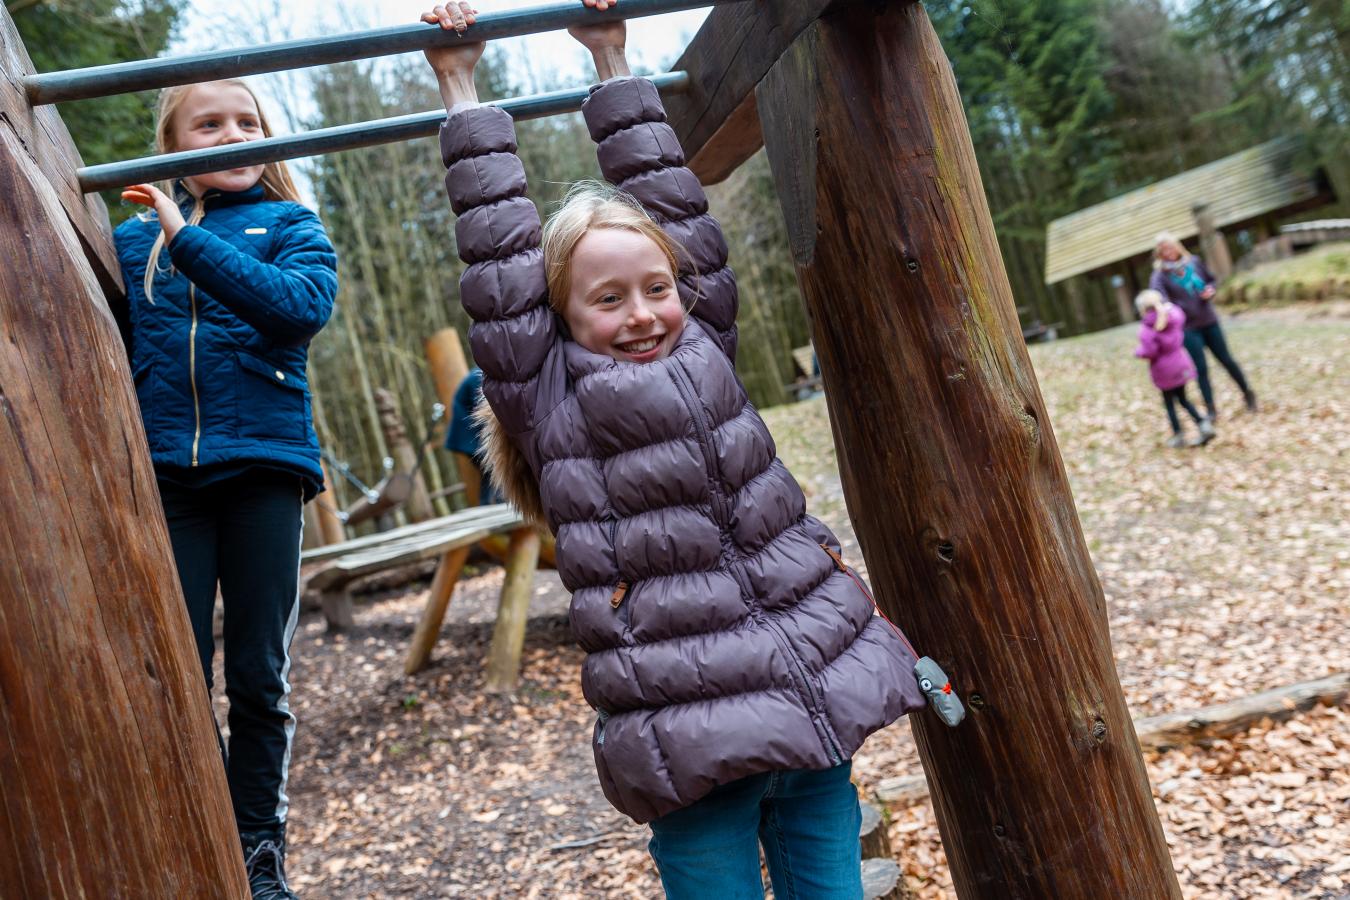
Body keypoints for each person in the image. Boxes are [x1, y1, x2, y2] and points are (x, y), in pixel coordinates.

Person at [421, 3, 928, 897]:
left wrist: (613, 58)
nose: (644, 312)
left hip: (804, 675)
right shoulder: (548, 393)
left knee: (828, 865)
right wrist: (461, 84)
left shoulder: (706, 343)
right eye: (607, 300)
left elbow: (670, 197)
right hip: (685, 718)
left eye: (655, 288)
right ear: (560, 320)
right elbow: (499, 255)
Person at [115, 78, 337, 900]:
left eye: (248, 122)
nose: (233, 133)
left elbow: (298, 309)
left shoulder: (291, 226)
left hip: (265, 472)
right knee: (176, 668)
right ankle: (195, 841)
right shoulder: (128, 241)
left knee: (257, 673)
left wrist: (185, 238)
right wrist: (161, 233)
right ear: (173, 146)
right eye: (209, 124)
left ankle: (258, 853)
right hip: (167, 477)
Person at [1149, 232, 1256, 420]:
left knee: (1226, 360)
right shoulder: (1160, 276)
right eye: (1163, 249)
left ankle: (1248, 394)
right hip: (1188, 328)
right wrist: (1171, 308)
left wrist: (1210, 291)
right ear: (1159, 253)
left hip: (1209, 320)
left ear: (1177, 246)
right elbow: (1159, 299)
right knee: (1201, 369)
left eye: (1170, 246)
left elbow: (1211, 280)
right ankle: (1211, 410)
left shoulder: (1194, 262)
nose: (1168, 252)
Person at [1134, 290, 1213, 448]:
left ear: (1142, 310)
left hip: (1164, 371)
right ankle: (1203, 424)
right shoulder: (1173, 317)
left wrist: (1138, 352)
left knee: (1169, 403)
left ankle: (1178, 435)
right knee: (1184, 399)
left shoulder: (1147, 329)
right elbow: (1179, 314)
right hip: (1180, 364)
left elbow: (1150, 351)